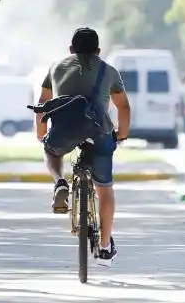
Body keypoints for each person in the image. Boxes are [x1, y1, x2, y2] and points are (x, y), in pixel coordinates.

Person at [37, 27, 131, 261]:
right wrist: (121, 134)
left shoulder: (56, 67)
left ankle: (59, 181)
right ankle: (106, 244)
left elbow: (42, 102)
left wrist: (42, 134)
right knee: (105, 189)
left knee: (51, 151)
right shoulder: (109, 71)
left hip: (64, 130)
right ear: (98, 51)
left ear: (71, 49)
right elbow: (123, 107)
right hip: (99, 131)